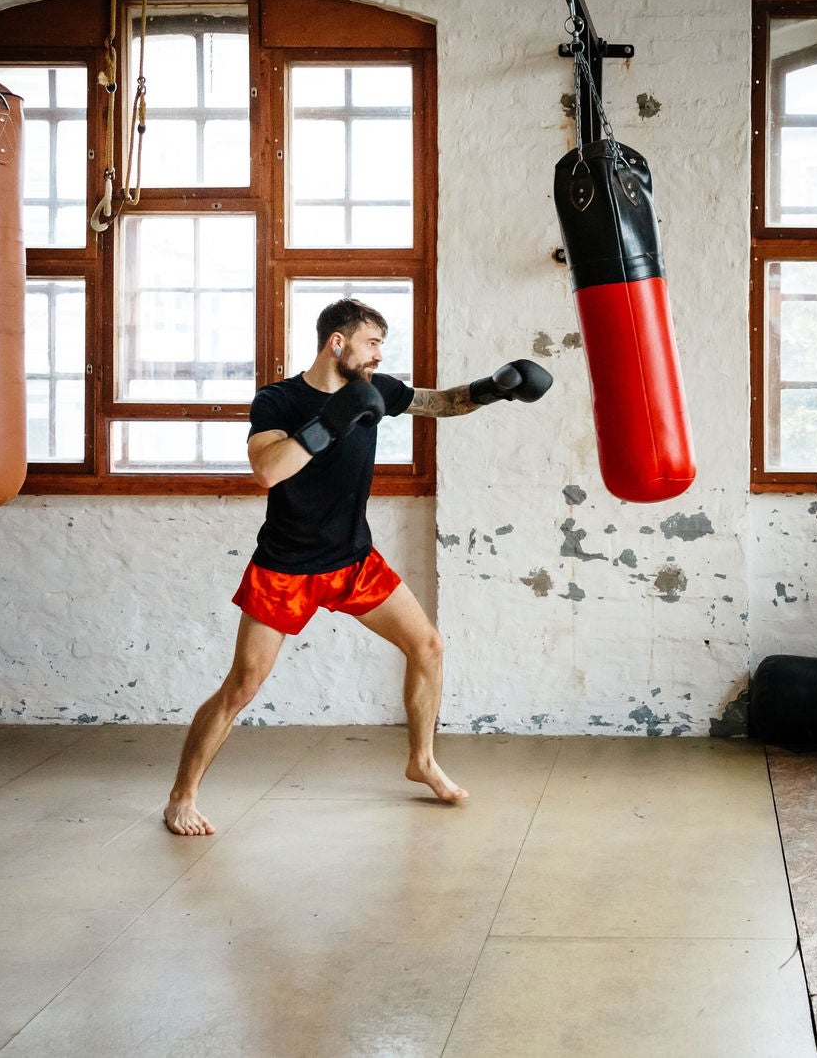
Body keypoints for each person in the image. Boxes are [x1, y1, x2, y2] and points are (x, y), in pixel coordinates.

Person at [164, 298, 551, 835]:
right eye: (371, 344)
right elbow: (267, 471)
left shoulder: (377, 388)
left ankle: (422, 760)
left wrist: (493, 388)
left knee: (428, 646)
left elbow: (440, 403)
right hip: (286, 568)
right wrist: (331, 422)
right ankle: (182, 797)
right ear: (336, 343)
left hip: (354, 559)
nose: (378, 356)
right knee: (242, 686)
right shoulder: (279, 400)